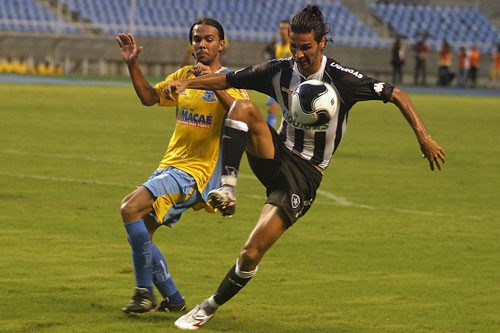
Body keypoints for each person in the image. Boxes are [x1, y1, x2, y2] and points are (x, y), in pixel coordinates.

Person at [163, 5, 446, 330]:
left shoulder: (342, 79)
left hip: (304, 178)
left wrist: (423, 137)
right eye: (294, 46)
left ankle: (207, 307)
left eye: (305, 47)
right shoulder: (279, 70)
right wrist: (188, 85)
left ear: (322, 42)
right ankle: (227, 189)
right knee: (242, 107)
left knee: (251, 253)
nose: (298, 54)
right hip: (277, 154)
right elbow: (228, 78)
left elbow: (396, 93)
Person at [115, 18, 248, 315]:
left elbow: (241, 115)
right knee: (142, 231)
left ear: (221, 44)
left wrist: (210, 83)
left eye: (209, 39)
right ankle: (174, 300)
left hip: (196, 175)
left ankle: (143, 294)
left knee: (129, 208)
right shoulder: (183, 75)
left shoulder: (233, 80)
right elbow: (150, 98)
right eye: (197, 39)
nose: (201, 44)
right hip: (170, 166)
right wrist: (133, 64)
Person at [265, 20, 291, 128]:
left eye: (285, 28)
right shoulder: (278, 46)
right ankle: (269, 136)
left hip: (291, 84)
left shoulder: (293, 47)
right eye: (281, 28)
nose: (283, 31)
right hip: (278, 82)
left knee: (292, 115)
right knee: (272, 109)